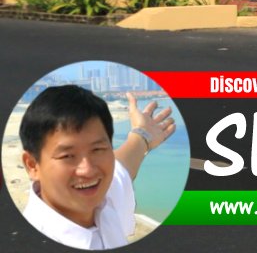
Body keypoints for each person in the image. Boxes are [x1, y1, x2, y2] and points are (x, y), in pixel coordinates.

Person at [19, 85, 177, 250]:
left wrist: (142, 134)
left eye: (97, 149)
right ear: (32, 165)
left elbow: (122, 168)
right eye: (67, 156)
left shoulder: (103, 200)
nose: (87, 170)